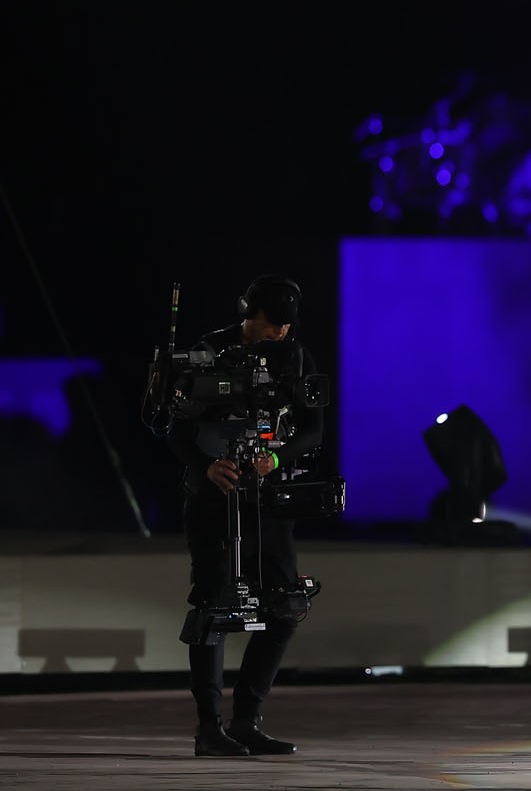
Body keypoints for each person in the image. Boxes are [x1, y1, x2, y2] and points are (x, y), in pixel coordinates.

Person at [166, 274, 324, 758]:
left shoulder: (296, 357)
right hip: (214, 498)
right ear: (248, 313)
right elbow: (175, 427)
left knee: (286, 605)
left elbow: (313, 429)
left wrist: (275, 457)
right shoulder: (208, 352)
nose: (280, 331)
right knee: (213, 607)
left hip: (267, 500)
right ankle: (208, 728)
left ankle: (247, 719)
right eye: (272, 322)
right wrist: (205, 465)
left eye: (286, 324)